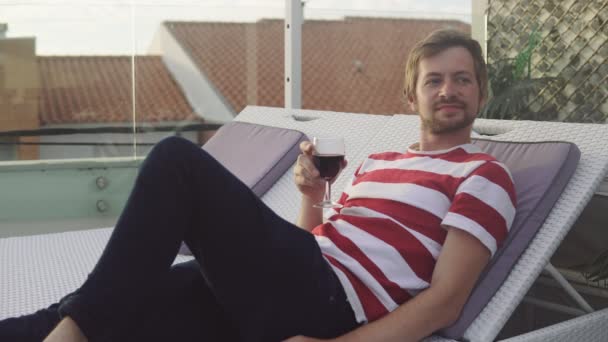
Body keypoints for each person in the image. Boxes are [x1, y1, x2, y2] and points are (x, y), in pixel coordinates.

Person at [0, 29, 515, 342]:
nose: (449, 90)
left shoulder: (484, 175)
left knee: (178, 161)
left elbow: (447, 301)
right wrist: (313, 201)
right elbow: (320, 241)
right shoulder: (378, 160)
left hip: (329, 304)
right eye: (435, 80)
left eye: (462, 79)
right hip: (289, 284)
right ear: (412, 96)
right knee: (108, 306)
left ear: (480, 92)